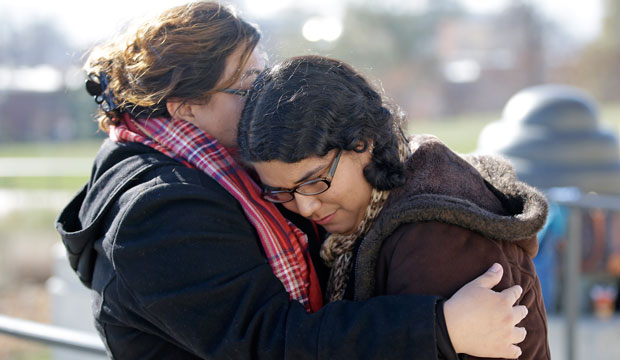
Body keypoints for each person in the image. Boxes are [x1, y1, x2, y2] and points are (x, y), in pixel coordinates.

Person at [56, 2, 528, 359]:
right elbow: (269, 341)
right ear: (185, 108)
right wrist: (439, 328)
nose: (266, 96)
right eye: (246, 86)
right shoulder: (160, 210)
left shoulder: (190, 168)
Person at [239, 55, 551, 359]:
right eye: (281, 191)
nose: (306, 207)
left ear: (363, 142)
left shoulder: (432, 237)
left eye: (314, 181)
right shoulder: (387, 191)